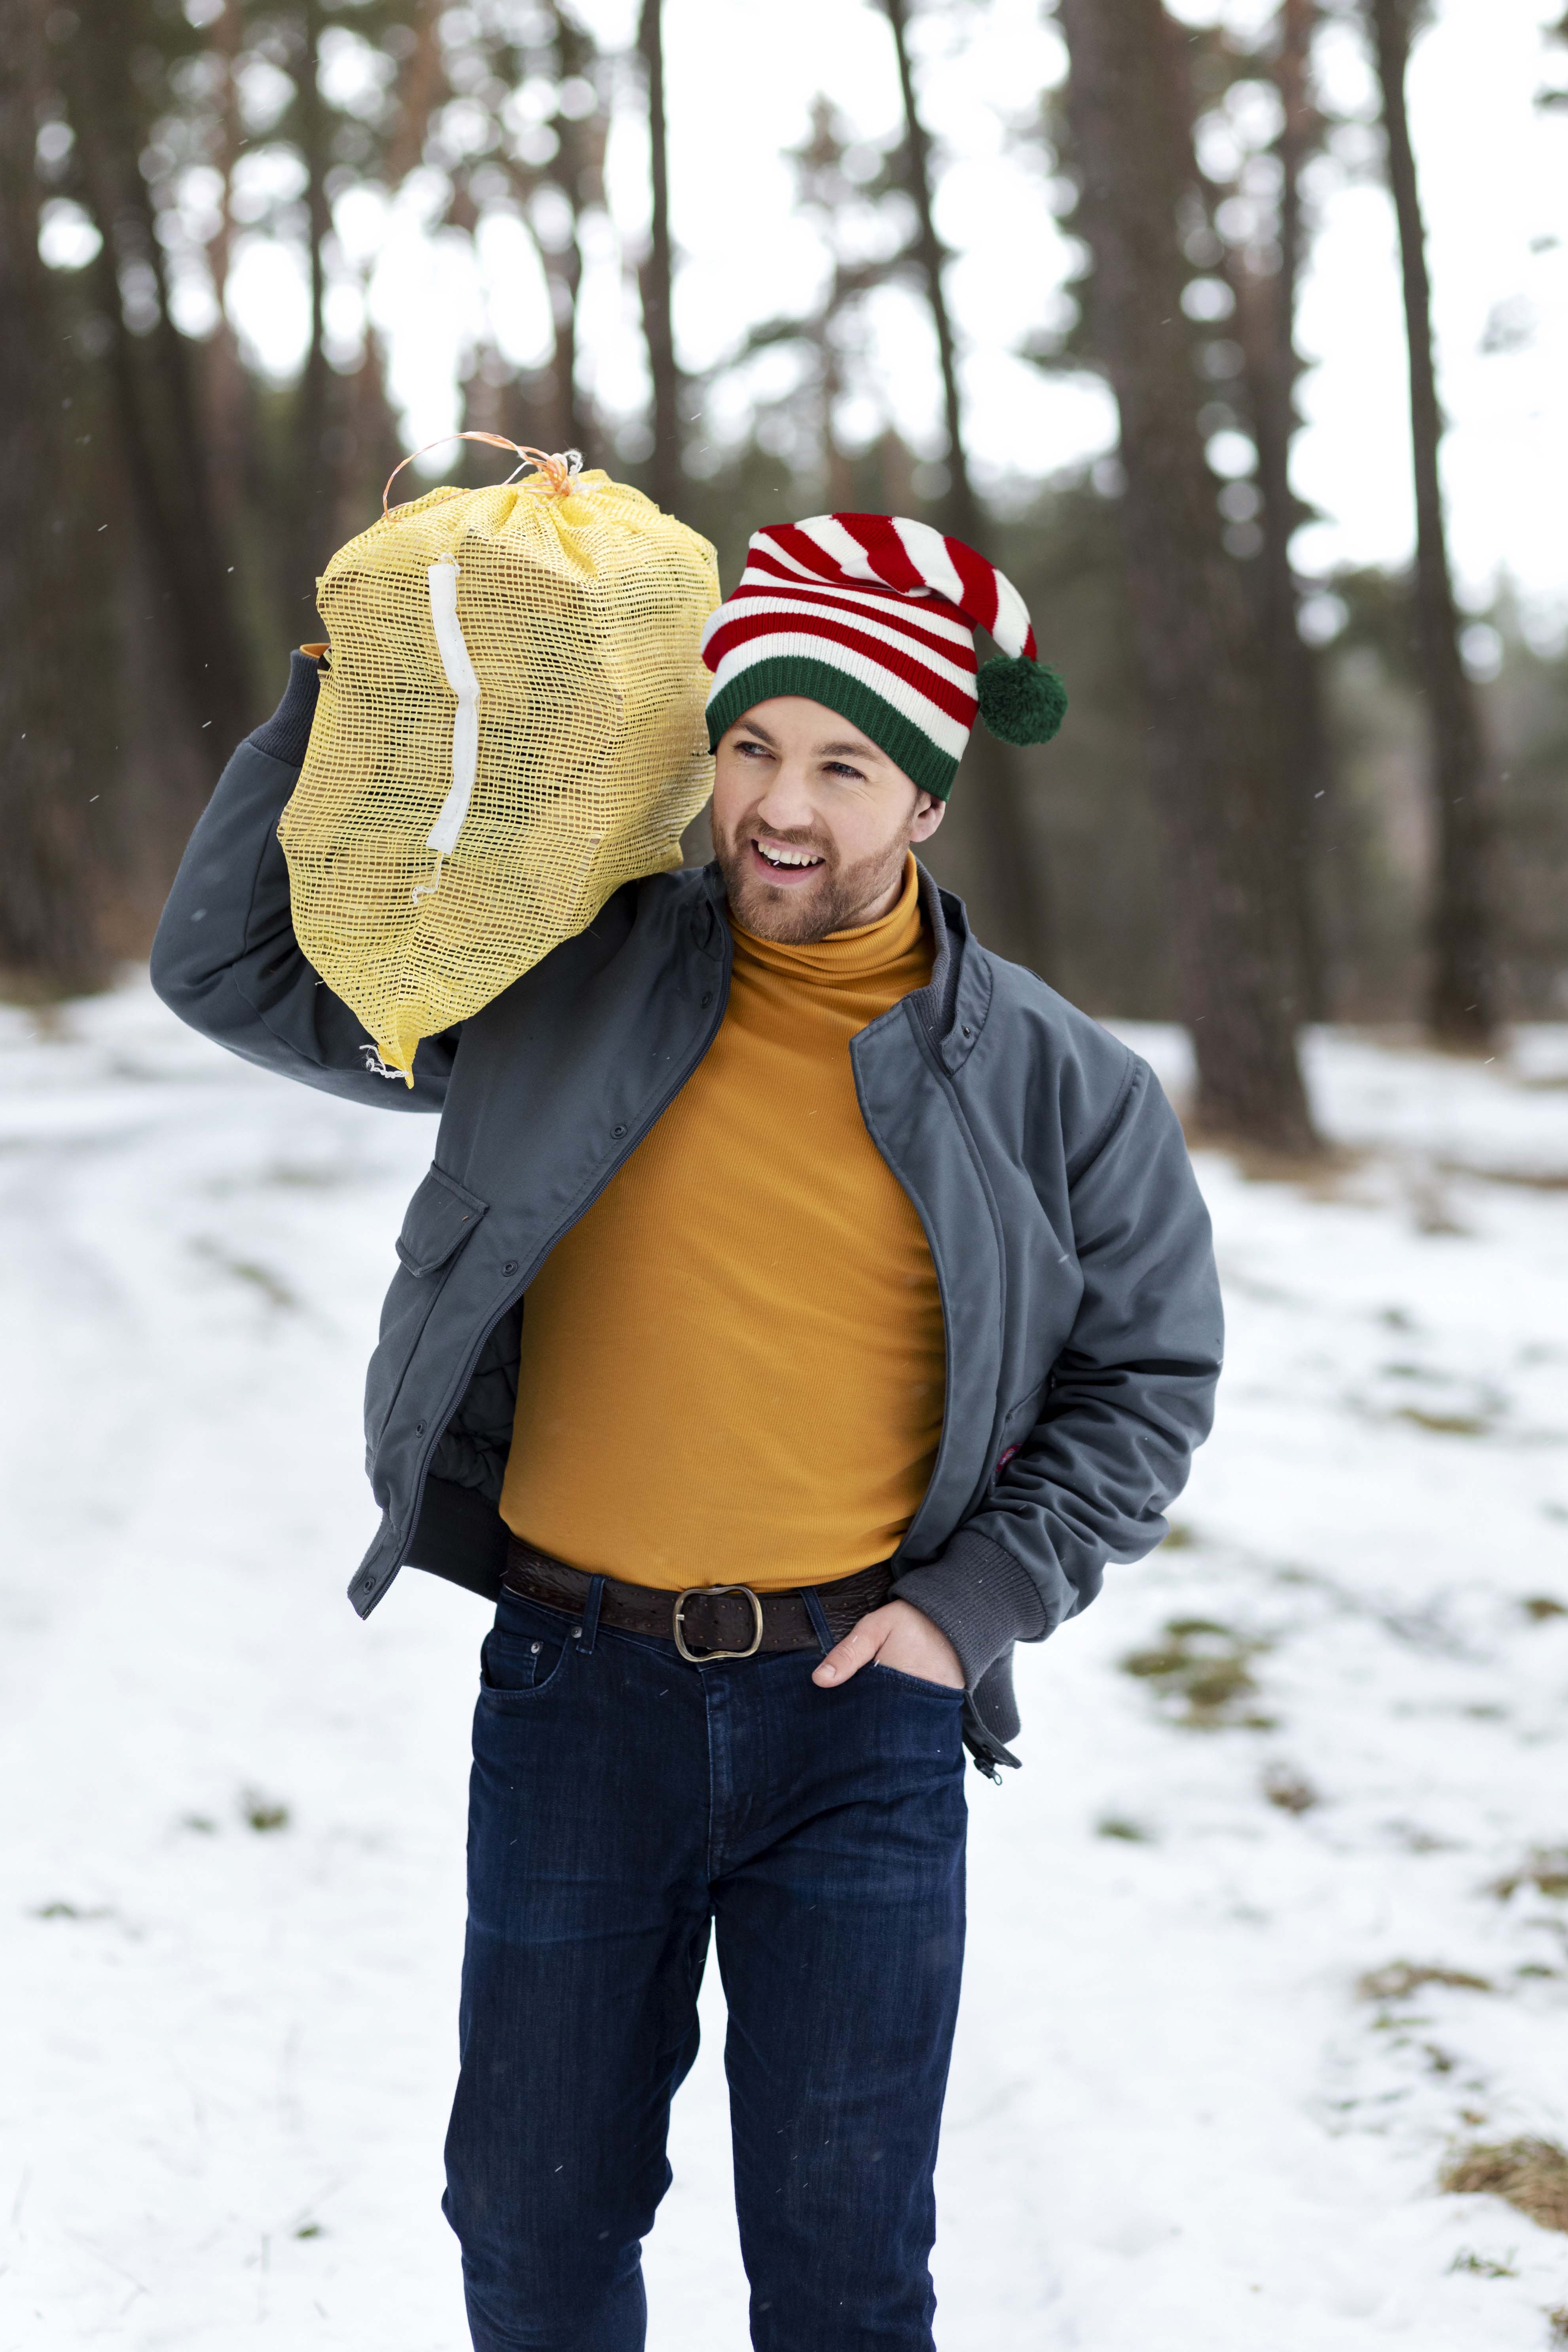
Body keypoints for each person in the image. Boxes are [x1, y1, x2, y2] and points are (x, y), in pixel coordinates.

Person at [151, 508, 1223, 2352]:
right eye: (748, 746)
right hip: (579, 1689)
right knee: (532, 2225)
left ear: (930, 800)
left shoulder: (1063, 1083)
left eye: (841, 763)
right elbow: (236, 975)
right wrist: (347, 696)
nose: (779, 806)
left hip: (861, 1716)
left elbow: (1149, 1379)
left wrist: (966, 1612)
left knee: (840, 2262)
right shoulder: (557, 976)